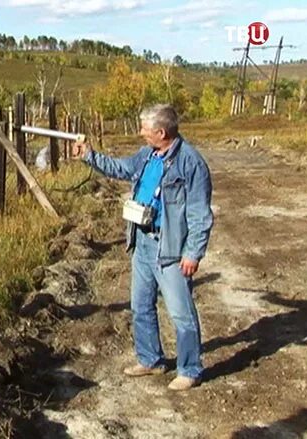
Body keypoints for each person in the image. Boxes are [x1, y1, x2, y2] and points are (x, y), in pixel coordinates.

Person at [73, 104, 214, 391]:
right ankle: (151, 360)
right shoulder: (147, 155)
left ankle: (190, 369)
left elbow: (200, 214)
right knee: (140, 305)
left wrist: (193, 253)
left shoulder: (191, 163)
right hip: (143, 242)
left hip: (171, 248)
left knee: (180, 312)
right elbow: (121, 169)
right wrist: (90, 155)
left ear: (161, 132)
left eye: (145, 129)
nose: (141, 133)